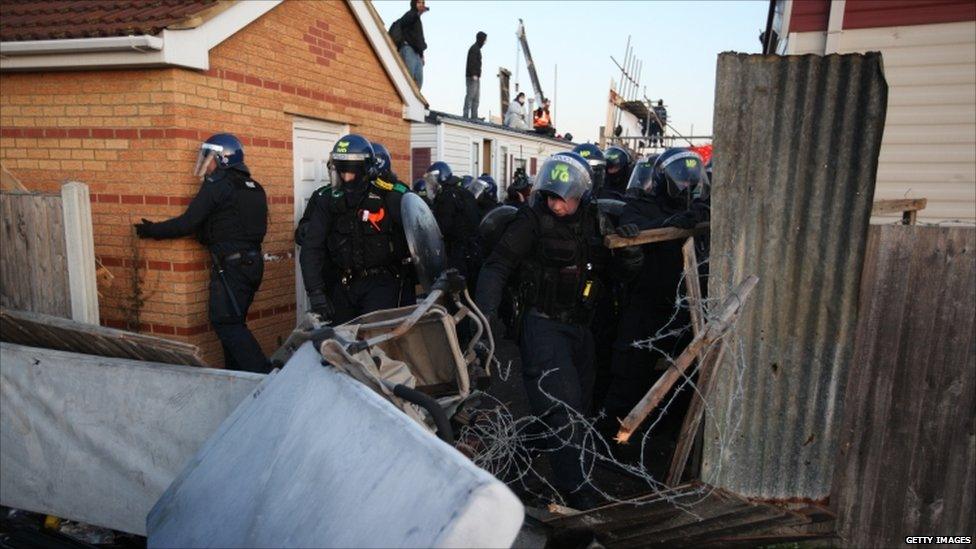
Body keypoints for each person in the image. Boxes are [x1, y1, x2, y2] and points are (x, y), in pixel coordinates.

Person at [476, 152, 641, 509]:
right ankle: (577, 492)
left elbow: (613, 276)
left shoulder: (596, 220)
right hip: (542, 326)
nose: (554, 203)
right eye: (549, 195)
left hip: (581, 330)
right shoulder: (531, 221)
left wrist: (628, 256)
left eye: (561, 196)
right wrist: (485, 315)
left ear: (580, 194)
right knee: (562, 411)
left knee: (570, 411)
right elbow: (497, 266)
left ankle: (508, 463)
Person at [134, 133, 269, 373]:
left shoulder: (219, 185)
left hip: (232, 267)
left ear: (223, 159)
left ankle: (266, 376)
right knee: (235, 324)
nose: (206, 164)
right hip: (253, 264)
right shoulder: (254, 187)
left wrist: (151, 230)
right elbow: (232, 225)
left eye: (209, 158)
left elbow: (188, 222)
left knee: (226, 324)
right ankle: (239, 379)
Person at [602, 149, 709, 423]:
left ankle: (659, 433)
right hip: (645, 304)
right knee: (629, 371)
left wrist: (695, 214)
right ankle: (615, 435)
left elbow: (706, 211)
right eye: (681, 181)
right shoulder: (640, 206)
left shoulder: (695, 209)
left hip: (684, 308)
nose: (687, 187)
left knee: (680, 376)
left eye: (690, 181)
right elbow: (632, 227)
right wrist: (667, 224)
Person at [299, 134, 415, 325]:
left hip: (381, 285)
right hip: (344, 285)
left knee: (375, 343)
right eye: (341, 171)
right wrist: (316, 292)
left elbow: (418, 235)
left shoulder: (391, 196)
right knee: (340, 344)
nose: (345, 177)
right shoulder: (327, 200)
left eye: (351, 172)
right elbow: (312, 247)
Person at [424, 161, 482, 287]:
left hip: (457, 254)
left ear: (440, 178)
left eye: (432, 181)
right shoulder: (464, 193)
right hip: (474, 252)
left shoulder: (445, 197)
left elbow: (442, 228)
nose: (430, 185)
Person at [394, 0, 428, 88]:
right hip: (408, 49)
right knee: (407, 82)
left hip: (417, 55)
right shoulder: (410, 14)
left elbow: (419, 39)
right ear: (414, 3)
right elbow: (404, 21)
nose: (421, 4)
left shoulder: (418, 21)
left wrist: (421, 55)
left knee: (418, 84)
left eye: (423, 3)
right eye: (419, 2)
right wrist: (417, 13)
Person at [463, 31, 487, 119]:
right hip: (472, 77)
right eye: (484, 40)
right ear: (481, 39)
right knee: (470, 96)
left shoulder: (477, 49)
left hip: (476, 77)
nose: (485, 42)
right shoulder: (474, 49)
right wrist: (473, 74)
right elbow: (471, 62)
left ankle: (474, 116)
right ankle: (465, 115)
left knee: (476, 98)